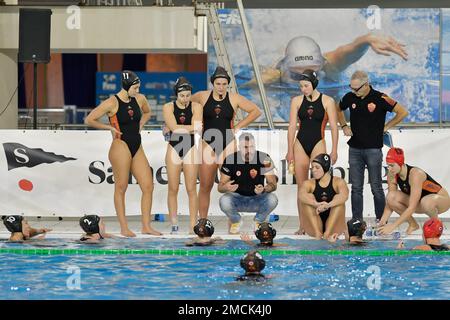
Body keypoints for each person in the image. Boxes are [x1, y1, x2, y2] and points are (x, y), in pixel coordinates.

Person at [85, 70, 161, 237]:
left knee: (148, 185)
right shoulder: (112, 102)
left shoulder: (140, 99)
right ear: (127, 87)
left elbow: (148, 112)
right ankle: (124, 227)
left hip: (137, 145)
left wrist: (141, 123)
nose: (138, 90)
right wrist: (110, 128)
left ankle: (146, 226)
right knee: (121, 187)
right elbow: (89, 119)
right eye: (135, 88)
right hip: (120, 145)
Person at [191, 66, 261, 220]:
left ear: (227, 84)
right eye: (218, 84)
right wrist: (193, 122)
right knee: (205, 186)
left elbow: (256, 111)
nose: (221, 87)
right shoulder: (202, 96)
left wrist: (238, 126)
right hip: (207, 143)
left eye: (224, 84)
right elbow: (182, 105)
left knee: (232, 187)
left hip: (228, 143)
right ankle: (202, 222)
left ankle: (233, 225)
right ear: (212, 84)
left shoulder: (234, 98)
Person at [337, 71, 408, 223]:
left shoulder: (381, 98)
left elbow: (402, 112)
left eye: (357, 89)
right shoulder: (350, 97)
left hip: (373, 149)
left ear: (367, 84)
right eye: (352, 88)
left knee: (376, 187)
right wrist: (343, 126)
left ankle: (381, 221)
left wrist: (387, 126)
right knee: (356, 188)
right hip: (354, 149)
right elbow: (338, 109)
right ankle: (357, 220)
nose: (354, 91)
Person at [286, 70, 339, 235]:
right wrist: (289, 150)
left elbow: (334, 127)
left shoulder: (327, 101)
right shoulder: (296, 101)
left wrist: (334, 150)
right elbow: (292, 126)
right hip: (300, 143)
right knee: (302, 188)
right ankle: (303, 225)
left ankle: (323, 224)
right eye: (301, 86)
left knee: (321, 186)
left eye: (306, 85)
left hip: (318, 142)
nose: (303, 89)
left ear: (314, 84)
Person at [246, 34, 408, 85]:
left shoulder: (329, 64)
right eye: (298, 75)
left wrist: (369, 39)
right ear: (285, 68)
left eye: (312, 73)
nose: (307, 80)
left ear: (321, 64)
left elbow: (352, 47)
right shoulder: (271, 76)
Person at [378, 147, 450, 235]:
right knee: (391, 197)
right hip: (421, 202)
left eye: (392, 165)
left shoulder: (415, 174)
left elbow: (412, 207)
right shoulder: (392, 174)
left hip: (442, 200)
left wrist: (392, 227)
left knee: (426, 202)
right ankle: (413, 225)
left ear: (400, 163)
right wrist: (382, 222)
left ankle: (436, 226)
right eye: (388, 165)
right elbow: (390, 203)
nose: (389, 168)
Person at [163, 77, 202, 234]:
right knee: (172, 188)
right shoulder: (168, 107)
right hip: (173, 148)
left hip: (190, 148)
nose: (185, 99)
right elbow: (173, 127)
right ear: (176, 95)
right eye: (182, 96)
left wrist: (178, 128)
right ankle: (174, 224)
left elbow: (197, 128)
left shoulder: (196, 106)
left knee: (191, 188)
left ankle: (193, 224)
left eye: (188, 95)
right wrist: (190, 127)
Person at [218, 133, 278, 234]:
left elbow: (273, 184)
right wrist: (226, 187)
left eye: (252, 147)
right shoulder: (230, 159)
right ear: (239, 147)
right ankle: (236, 221)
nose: (249, 150)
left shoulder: (264, 158)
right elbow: (220, 187)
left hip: (258, 199)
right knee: (224, 200)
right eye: (245, 147)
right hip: (237, 199)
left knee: (272, 199)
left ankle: (258, 221)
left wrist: (264, 189)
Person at [299, 153, 348, 240]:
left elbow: (344, 196)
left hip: (335, 226)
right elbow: (301, 195)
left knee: (338, 201)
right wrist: (316, 204)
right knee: (308, 198)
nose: (313, 170)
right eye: (312, 167)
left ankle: (327, 233)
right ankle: (318, 234)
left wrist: (328, 205)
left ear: (325, 168)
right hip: (315, 224)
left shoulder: (338, 182)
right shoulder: (309, 183)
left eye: (317, 167)